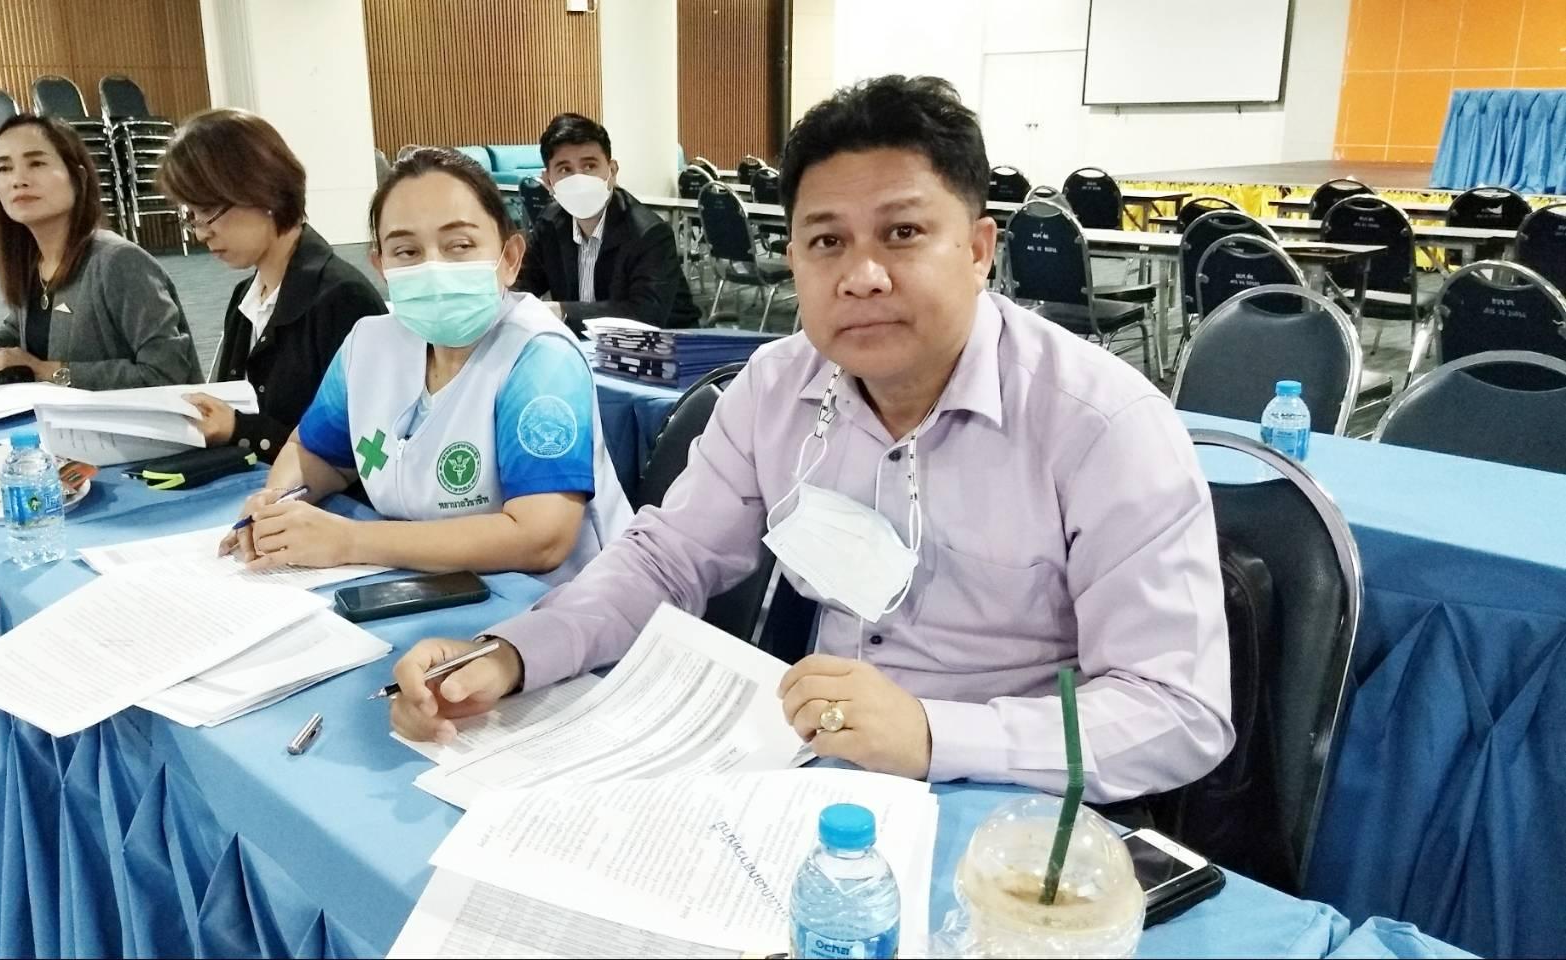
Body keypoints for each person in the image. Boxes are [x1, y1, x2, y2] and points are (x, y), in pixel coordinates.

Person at [388, 77, 1235, 803]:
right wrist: (511, 653)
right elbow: (666, 560)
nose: (861, 276)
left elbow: (1177, 711)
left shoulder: (1102, 426)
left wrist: (932, 734)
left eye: (902, 234)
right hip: (810, 775)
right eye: (827, 241)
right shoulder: (776, 387)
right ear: (792, 257)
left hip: (1010, 805)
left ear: (979, 249)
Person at [221, 147, 633, 583]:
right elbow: (315, 452)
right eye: (406, 251)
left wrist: (350, 541)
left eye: (460, 245)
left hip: (555, 601)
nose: (433, 267)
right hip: (428, 584)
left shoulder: (539, 358)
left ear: (510, 258)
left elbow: (540, 537)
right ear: (381, 265)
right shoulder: (368, 347)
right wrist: (277, 502)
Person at [158, 108, 387, 461]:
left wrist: (240, 430)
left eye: (209, 210)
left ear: (263, 192)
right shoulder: (245, 297)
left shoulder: (341, 298)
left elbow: (362, 449)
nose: (202, 233)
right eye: (191, 215)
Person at [0, 114, 199, 389]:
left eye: (37, 163)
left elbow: (166, 372)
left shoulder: (118, 262)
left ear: (78, 177)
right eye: (4, 168)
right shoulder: (35, 261)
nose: (18, 180)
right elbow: (15, 335)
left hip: (125, 417)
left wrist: (47, 371)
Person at [512, 113, 701, 332]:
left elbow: (645, 315)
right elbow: (520, 286)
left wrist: (562, 311)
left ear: (612, 171)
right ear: (548, 181)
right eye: (565, 170)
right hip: (585, 344)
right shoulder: (549, 223)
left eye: (589, 166)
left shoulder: (649, 233)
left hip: (667, 342)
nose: (579, 179)